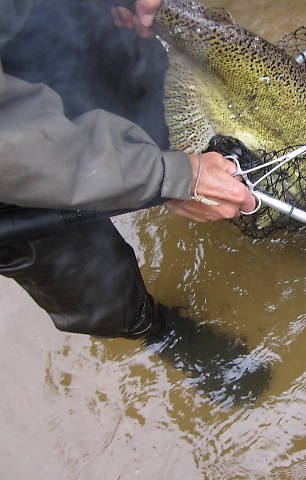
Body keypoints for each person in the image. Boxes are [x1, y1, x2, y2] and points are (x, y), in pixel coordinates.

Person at [0, 0, 256, 338]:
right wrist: (169, 176)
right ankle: (152, 331)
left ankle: (216, 187)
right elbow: (17, 149)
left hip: (41, 20)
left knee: (148, 93)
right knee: (90, 283)